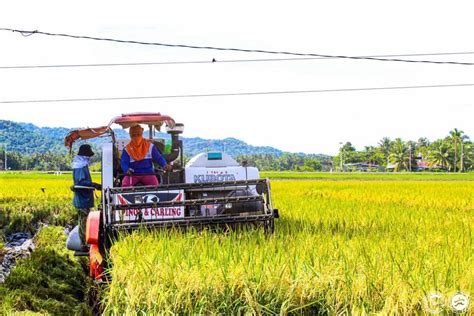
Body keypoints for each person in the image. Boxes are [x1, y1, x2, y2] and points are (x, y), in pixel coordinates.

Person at [72, 144, 101, 250]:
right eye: (88, 155)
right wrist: (94, 184)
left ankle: (85, 243)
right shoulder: (80, 166)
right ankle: (85, 245)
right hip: (82, 199)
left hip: (85, 198)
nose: (89, 158)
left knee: (84, 221)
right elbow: (81, 182)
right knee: (83, 222)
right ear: (84, 155)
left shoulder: (81, 164)